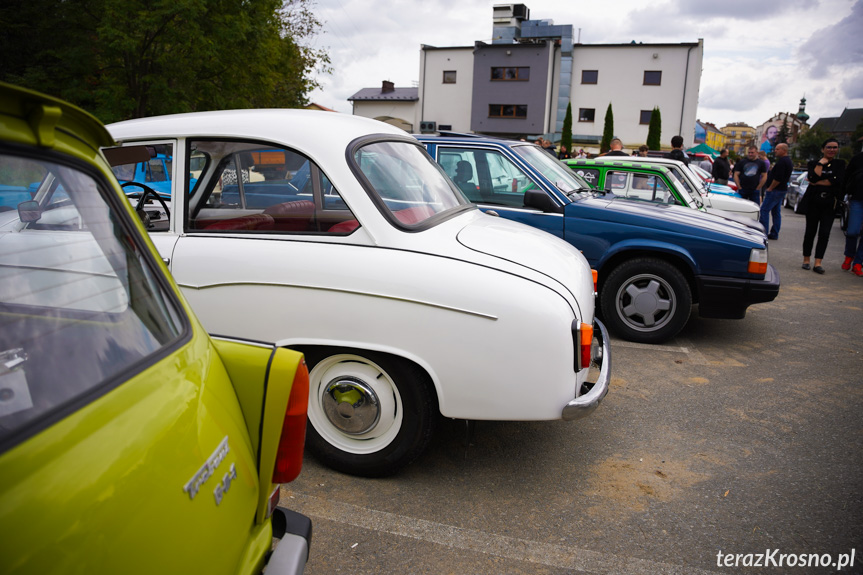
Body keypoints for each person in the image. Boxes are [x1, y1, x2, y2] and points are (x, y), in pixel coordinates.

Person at [801, 138, 845, 274]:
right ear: (823, 149)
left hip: (830, 204)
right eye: (829, 147)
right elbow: (812, 178)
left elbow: (837, 182)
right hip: (813, 203)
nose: (832, 150)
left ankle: (818, 262)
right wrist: (820, 164)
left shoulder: (840, 164)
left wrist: (818, 181)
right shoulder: (813, 163)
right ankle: (806, 260)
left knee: (824, 234)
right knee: (810, 232)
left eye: (835, 147)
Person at [759, 143, 793, 240]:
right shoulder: (787, 161)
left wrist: (770, 188)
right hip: (781, 190)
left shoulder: (782, 162)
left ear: (784, 150)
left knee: (764, 210)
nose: (775, 151)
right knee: (776, 212)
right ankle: (774, 233)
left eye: (777, 149)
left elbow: (778, 178)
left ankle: (763, 234)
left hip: (776, 190)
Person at [840, 150, 863, 276]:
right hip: (857, 199)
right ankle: (849, 255)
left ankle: (858, 262)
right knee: (853, 231)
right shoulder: (858, 159)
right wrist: (841, 195)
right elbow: (847, 176)